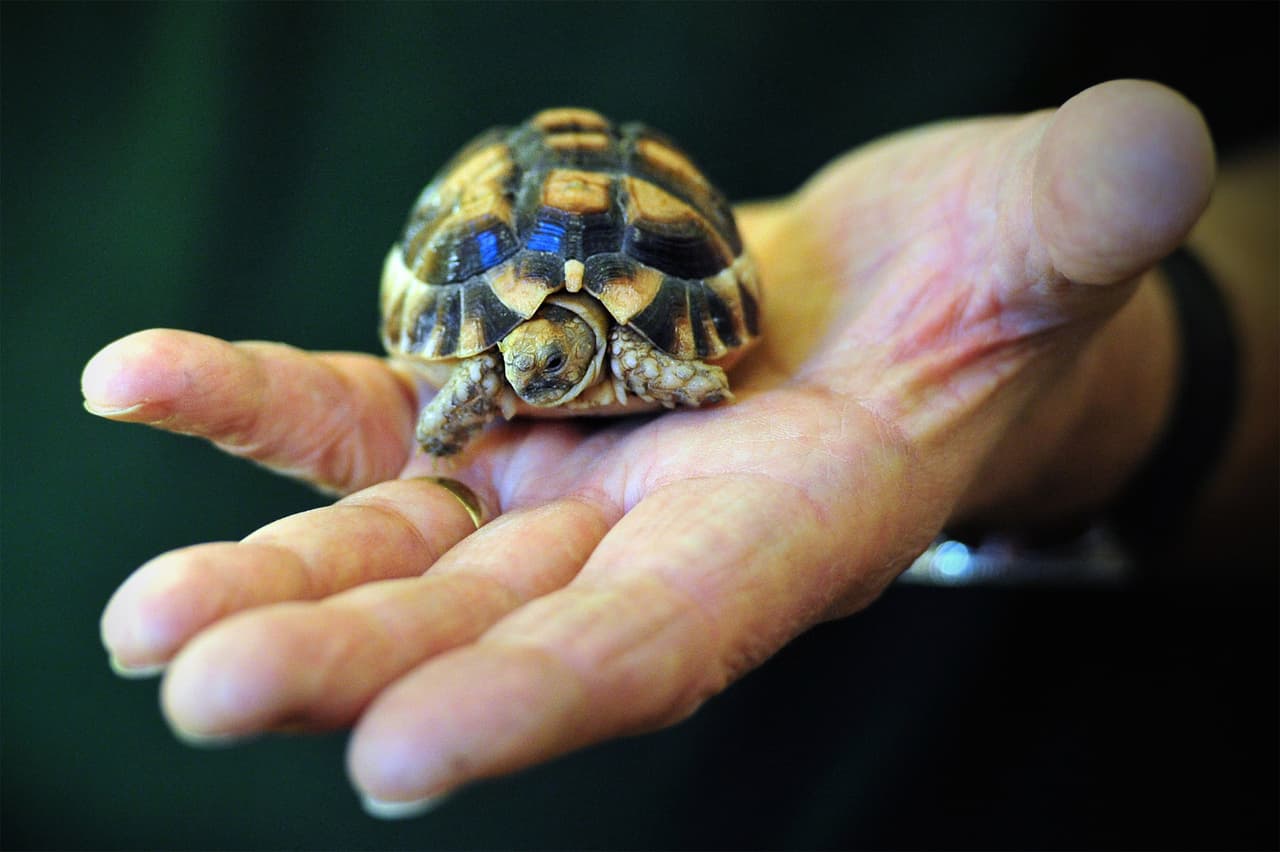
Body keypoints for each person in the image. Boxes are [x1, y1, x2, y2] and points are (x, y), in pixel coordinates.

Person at [81, 80, 1277, 817]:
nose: (535, 373)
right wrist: (447, 430)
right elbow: (476, 387)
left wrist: (1081, 393)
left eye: (552, 361)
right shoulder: (503, 363)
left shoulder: (634, 351)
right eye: (522, 365)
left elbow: (684, 375)